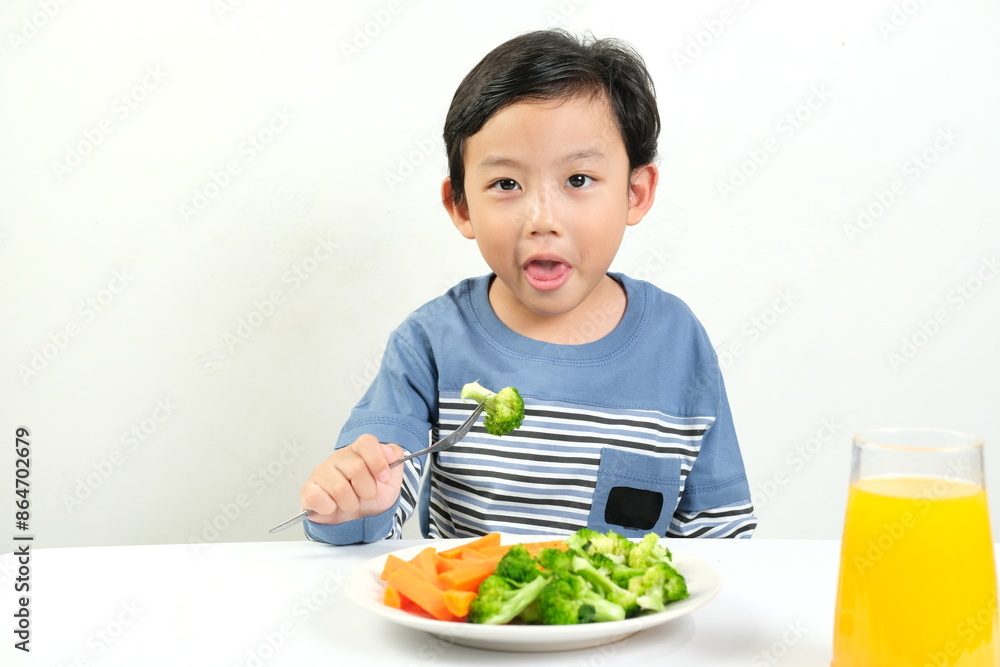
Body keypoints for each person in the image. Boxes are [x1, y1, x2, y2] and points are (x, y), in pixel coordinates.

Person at [299, 29, 757, 544]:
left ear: (635, 192)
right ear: (461, 206)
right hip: (470, 622)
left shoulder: (679, 343)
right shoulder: (431, 341)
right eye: (507, 184)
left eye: (578, 180)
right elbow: (370, 506)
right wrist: (351, 502)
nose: (543, 219)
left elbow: (722, 539)